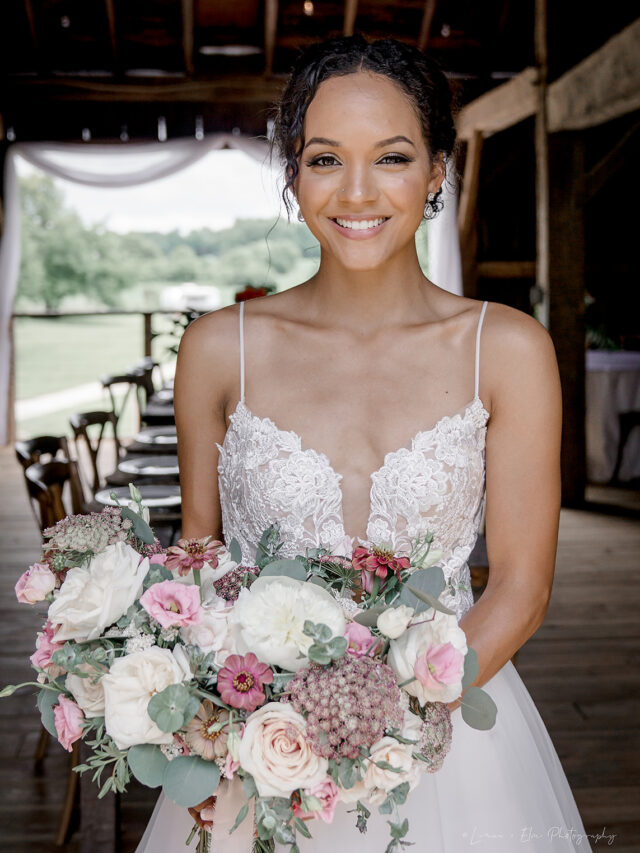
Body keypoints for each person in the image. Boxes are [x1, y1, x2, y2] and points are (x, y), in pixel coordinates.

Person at [136, 36, 592, 852]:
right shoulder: (216, 348)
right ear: (291, 175)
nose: (356, 191)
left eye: (391, 157)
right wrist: (229, 717)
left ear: (438, 170)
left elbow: (521, 589)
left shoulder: (509, 349)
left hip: (449, 747)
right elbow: (198, 561)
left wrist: (383, 728)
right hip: (254, 747)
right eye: (323, 159)